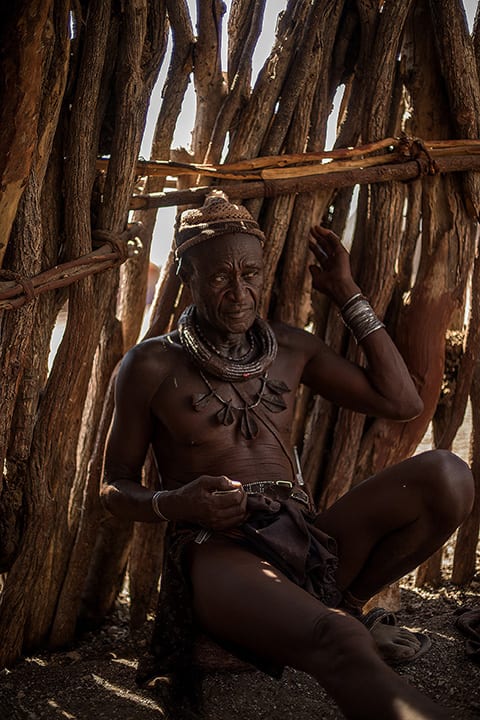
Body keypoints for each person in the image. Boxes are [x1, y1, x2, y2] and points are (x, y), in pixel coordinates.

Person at [101, 191, 474, 720]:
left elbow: (402, 401)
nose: (238, 293)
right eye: (219, 277)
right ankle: (331, 625)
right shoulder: (151, 365)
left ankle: (340, 603)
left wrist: (345, 291)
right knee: (340, 640)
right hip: (219, 549)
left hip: (304, 538)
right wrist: (178, 503)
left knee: (448, 475)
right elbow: (113, 488)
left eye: (250, 274)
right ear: (186, 274)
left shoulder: (289, 347)